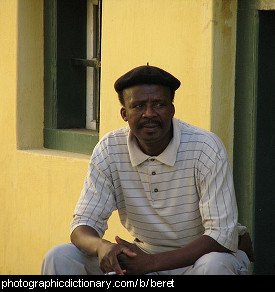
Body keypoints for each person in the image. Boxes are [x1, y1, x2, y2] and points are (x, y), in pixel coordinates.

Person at [41, 64, 253, 275]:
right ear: (124, 113)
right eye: (139, 106)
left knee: (214, 266)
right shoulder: (109, 149)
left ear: (172, 110)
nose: (149, 114)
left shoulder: (205, 148)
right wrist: (102, 247)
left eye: (159, 104)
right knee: (60, 256)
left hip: (201, 259)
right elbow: (82, 225)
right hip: (142, 256)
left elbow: (221, 235)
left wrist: (151, 263)